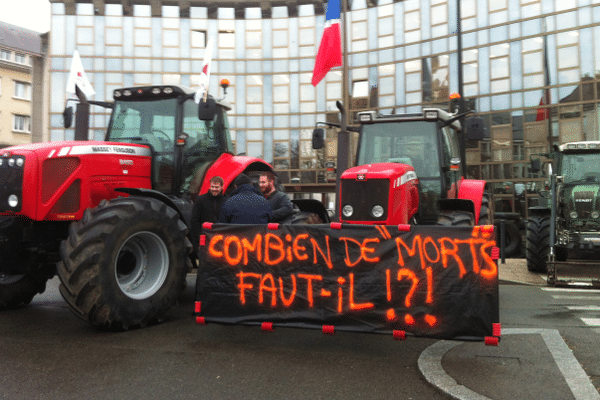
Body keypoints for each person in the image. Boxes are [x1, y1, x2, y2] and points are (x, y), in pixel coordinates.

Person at [190, 176, 226, 253]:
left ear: (222, 187)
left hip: (220, 238)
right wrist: (198, 240)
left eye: (217, 187)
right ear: (210, 186)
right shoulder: (201, 200)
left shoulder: (226, 201)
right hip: (204, 237)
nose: (214, 189)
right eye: (212, 187)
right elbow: (195, 221)